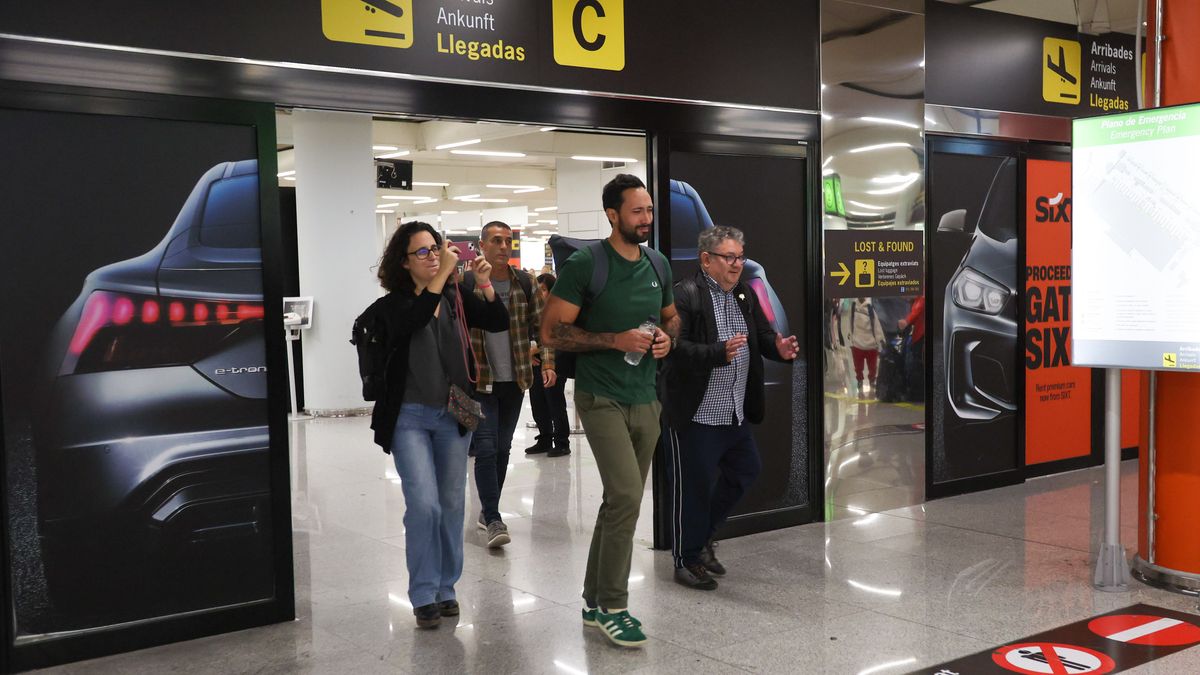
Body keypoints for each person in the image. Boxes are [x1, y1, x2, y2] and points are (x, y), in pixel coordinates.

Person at [541, 173, 679, 649]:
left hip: (646, 397)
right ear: (612, 214)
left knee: (615, 502)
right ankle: (615, 607)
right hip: (600, 396)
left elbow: (672, 316)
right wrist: (613, 340)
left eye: (649, 210)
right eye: (637, 211)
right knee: (625, 495)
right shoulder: (586, 264)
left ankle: (592, 600)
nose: (646, 219)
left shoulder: (657, 263)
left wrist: (667, 339)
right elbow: (551, 332)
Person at [365, 221, 508, 629]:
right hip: (408, 418)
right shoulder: (392, 306)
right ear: (404, 263)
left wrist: (481, 284)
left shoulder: (453, 296)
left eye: (435, 249)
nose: (433, 257)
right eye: (423, 252)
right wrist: (446, 274)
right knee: (424, 505)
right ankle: (423, 591)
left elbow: (496, 320)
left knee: (451, 504)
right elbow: (412, 320)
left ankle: (446, 587)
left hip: (452, 415)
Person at [661, 226, 799, 591]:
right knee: (693, 489)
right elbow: (675, 350)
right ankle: (686, 559)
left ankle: (702, 537)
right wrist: (717, 353)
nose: (738, 264)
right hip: (697, 413)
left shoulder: (743, 294)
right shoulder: (686, 295)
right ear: (706, 259)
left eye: (740, 256)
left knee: (745, 471)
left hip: (733, 411)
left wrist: (778, 348)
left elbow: (763, 336)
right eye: (729, 257)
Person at [465, 221, 555, 548]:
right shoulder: (465, 284)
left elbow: (542, 328)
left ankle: (488, 508)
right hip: (480, 382)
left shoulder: (526, 283)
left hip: (515, 380)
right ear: (482, 245)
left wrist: (547, 361)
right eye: (497, 241)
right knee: (486, 448)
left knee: (502, 449)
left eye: (508, 241)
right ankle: (492, 518)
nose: (504, 247)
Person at [526, 272, 571, 458]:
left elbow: (557, 337)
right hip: (536, 363)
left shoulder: (558, 309)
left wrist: (533, 352)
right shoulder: (534, 310)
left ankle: (561, 441)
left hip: (556, 362)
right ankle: (544, 437)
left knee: (554, 401)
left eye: (544, 290)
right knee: (537, 400)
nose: (540, 293)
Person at [847, 296, 884, 396]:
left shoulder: (870, 307)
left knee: (872, 366)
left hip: (871, 344)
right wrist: (851, 338)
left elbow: (876, 325)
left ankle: (872, 380)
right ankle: (860, 381)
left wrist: (880, 340)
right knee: (858, 366)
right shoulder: (853, 306)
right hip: (857, 343)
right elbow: (850, 323)